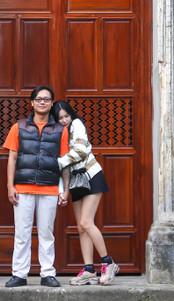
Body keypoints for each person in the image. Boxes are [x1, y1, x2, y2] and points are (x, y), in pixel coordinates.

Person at [2, 86, 70, 288]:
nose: (42, 102)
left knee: (46, 233)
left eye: (46, 99)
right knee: (22, 234)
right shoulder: (19, 127)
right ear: (31, 102)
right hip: (22, 189)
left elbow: (64, 162)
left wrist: (65, 189)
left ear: (51, 103)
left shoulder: (60, 130)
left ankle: (48, 274)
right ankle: (19, 275)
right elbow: (12, 158)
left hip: (49, 189)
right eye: (38, 99)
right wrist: (10, 186)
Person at [52, 100, 118, 286]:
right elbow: (62, 169)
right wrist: (62, 192)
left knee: (86, 222)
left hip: (91, 176)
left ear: (71, 115)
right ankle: (89, 270)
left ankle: (108, 263)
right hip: (75, 183)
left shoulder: (77, 125)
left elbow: (80, 151)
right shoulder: (58, 135)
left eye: (67, 116)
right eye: (60, 118)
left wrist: (56, 163)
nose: (65, 120)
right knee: (81, 228)